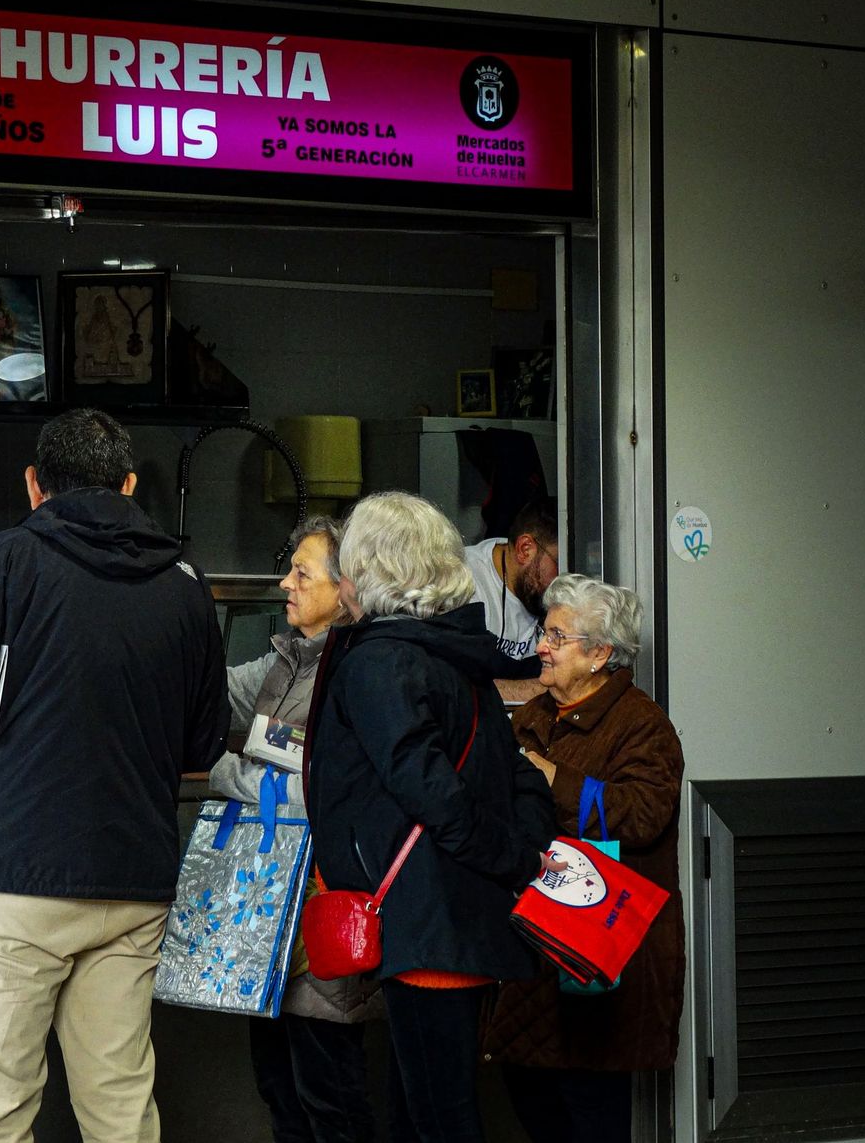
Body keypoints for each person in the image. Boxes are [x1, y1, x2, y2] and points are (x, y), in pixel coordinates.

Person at [0, 408, 228, 1143]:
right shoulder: (183, 581)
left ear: (33, 485)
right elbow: (201, 743)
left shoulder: (1, 562)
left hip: (10, 877)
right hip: (133, 879)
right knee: (120, 1107)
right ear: (129, 484)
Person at [303, 490, 555, 1143]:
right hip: (453, 914)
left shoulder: (382, 661)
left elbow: (433, 792)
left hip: (425, 920)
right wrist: (522, 850)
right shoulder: (453, 656)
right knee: (419, 1116)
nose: (344, 579)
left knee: (440, 1120)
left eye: (351, 563)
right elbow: (519, 771)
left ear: (376, 570)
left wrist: (514, 856)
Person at [482, 573, 685, 1143]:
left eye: (556, 636)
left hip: (597, 953)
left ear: (599, 655)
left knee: (589, 1110)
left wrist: (550, 779)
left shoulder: (643, 727)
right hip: (531, 948)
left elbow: (642, 814)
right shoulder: (533, 717)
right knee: (532, 1094)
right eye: (544, 632)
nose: (540, 646)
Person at [209, 515, 379, 1143]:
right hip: (265, 905)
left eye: (301, 573)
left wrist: (225, 771)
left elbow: (323, 794)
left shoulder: (355, 673)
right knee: (278, 1086)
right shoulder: (284, 662)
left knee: (329, 1093)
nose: (285, 583)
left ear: (345, 587)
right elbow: (212, 693)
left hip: (321, 906)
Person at [461, 496, 559, 704]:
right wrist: (548, 689)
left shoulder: (549, 590)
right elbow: (454, 686)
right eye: (559, 564)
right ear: (525, 549)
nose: (564, 579)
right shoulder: (460, 580)